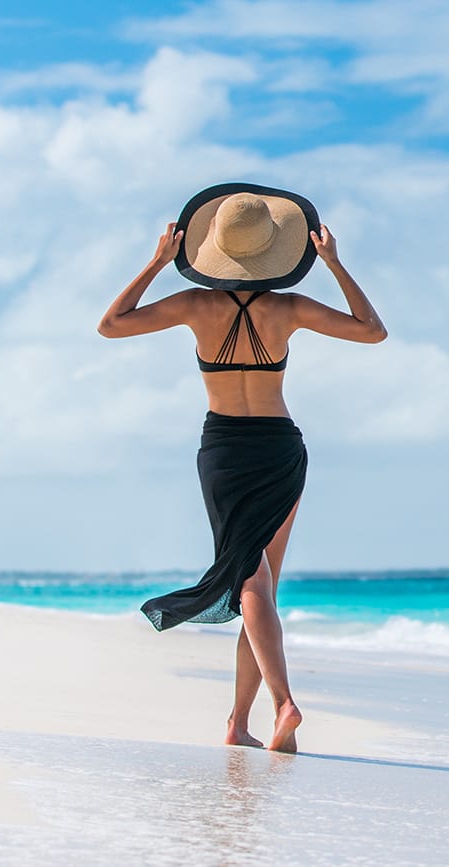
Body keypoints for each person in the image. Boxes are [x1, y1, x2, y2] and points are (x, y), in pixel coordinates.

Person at [96, 183, 387, 753]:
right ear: (275, 251)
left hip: (226, 450)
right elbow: (371, 330)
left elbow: (112, 324)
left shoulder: (194, 306)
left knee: (251, 579)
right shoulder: (289, 309)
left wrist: (155, 262)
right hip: (280, 447)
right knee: (261, 586)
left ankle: (283, 705)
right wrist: (334, 264)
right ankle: (237, 723)